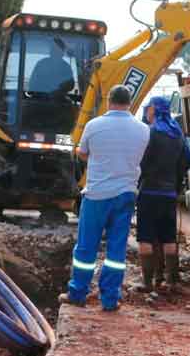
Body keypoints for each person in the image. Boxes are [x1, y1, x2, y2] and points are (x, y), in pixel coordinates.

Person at [61, 85, 149, 312]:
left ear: (109, 101)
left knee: (86, 248)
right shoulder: (142, 129)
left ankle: (78, 293)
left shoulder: (94, 125)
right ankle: (110, 299)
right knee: (116, 251)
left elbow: (82, 152)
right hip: (126, 194)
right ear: (129, 102)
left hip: (97, 194)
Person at [136, 96, 190, 293]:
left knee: (145, 237)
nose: (146, 112)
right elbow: (188, 158)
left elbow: (140, 161)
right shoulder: (177, 134)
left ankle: (147, 283)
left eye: (148, 108)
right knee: (169, 238)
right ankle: (172, 281)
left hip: (149, 192)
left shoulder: (149, 134)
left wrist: (141, 176)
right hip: (169, 193)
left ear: (154, 110)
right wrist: (177, 179)